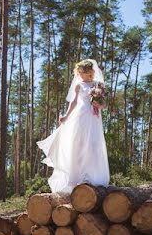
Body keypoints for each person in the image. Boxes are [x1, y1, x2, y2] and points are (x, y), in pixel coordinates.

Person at [36, 59, 110, 194]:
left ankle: (90, 177)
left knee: (92, 145)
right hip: (80, 116)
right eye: (79, 72)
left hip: (93, 118)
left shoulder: (98, 85)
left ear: (90, 72)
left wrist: (99, 104)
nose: (81, 75)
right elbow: (74, 102)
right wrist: (66, 116)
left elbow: (104, 104)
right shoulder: (78, 85)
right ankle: (75, 178)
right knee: (77, 145)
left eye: (83, 72)